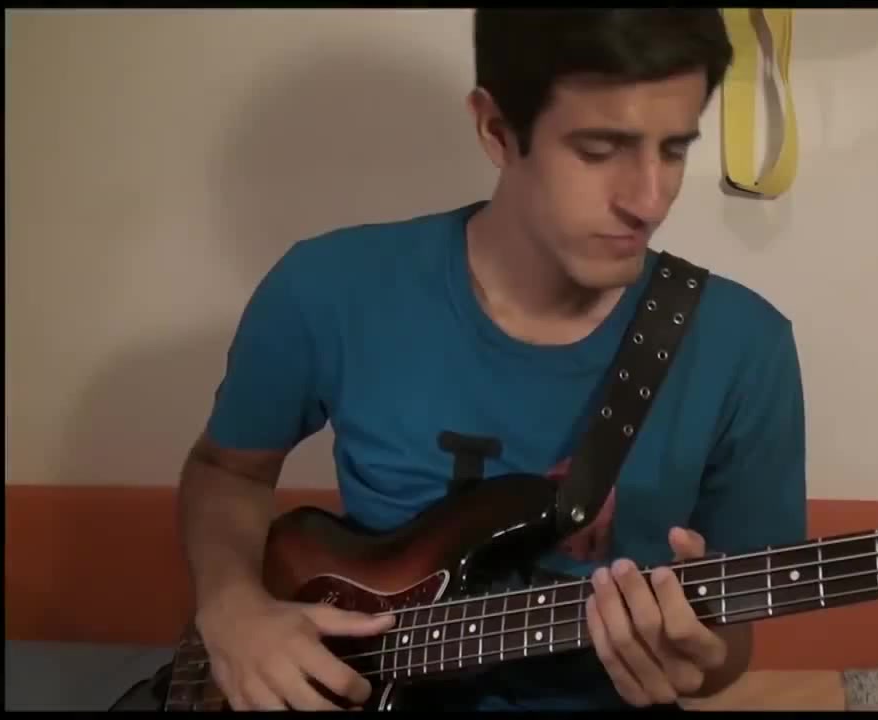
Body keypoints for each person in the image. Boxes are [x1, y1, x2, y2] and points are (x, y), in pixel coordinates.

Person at [177, 8, 807, 712]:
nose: (650, 200)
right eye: (600, 149)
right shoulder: (328, 289)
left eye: (674, 150)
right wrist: (231, 605)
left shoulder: (745, 346)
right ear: (497, 130)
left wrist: (704, 662)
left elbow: (731, 631)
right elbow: (227, 471)